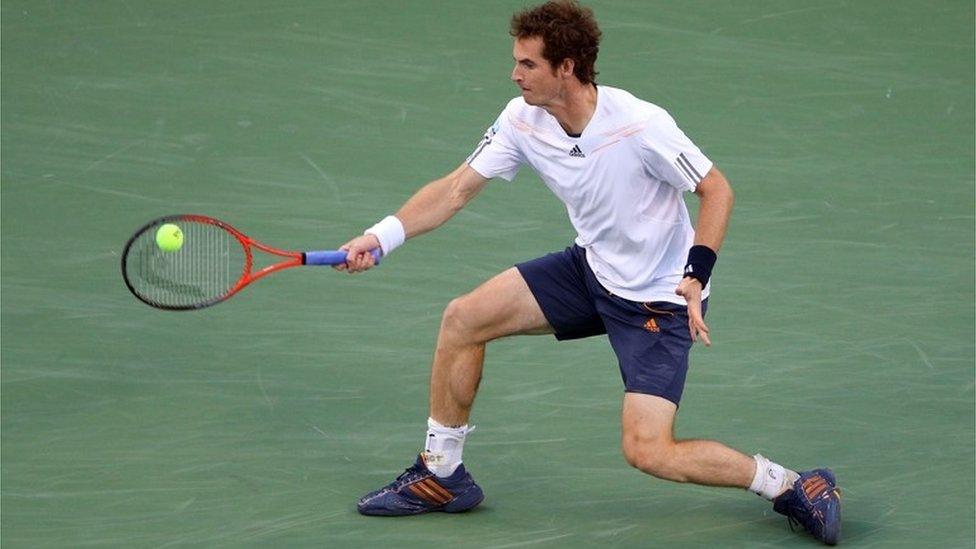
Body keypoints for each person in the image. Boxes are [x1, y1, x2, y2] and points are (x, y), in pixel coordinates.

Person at [336, 1, 841, 544]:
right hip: (591, 270)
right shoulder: (521, 119)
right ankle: (441, 476)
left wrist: (696, 274)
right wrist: (382, 235)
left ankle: (793, 485)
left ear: (567, 67)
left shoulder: (640, 126)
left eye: (528, 64)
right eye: (516, 61)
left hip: (659, 298)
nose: (515, 74)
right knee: (464, 318)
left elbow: (716, 190)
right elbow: (456, 188)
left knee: (647, 450)